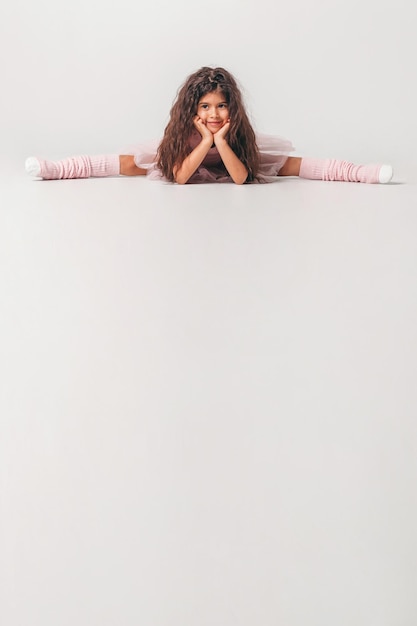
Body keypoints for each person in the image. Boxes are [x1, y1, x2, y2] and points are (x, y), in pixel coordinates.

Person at [25, 66, 393, 185]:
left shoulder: (234, 131)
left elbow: (239, 178)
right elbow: (182, 178)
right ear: (192, 110)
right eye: (205, 107)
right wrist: (204, 140)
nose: (214, 114)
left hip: (233, 157)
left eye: (220, 106)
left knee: (291, 165)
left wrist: (223, 140)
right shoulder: (188, 132)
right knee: (128, 163)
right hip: (187, 154)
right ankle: (55, 169)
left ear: (231, 108)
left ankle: (362, 173)